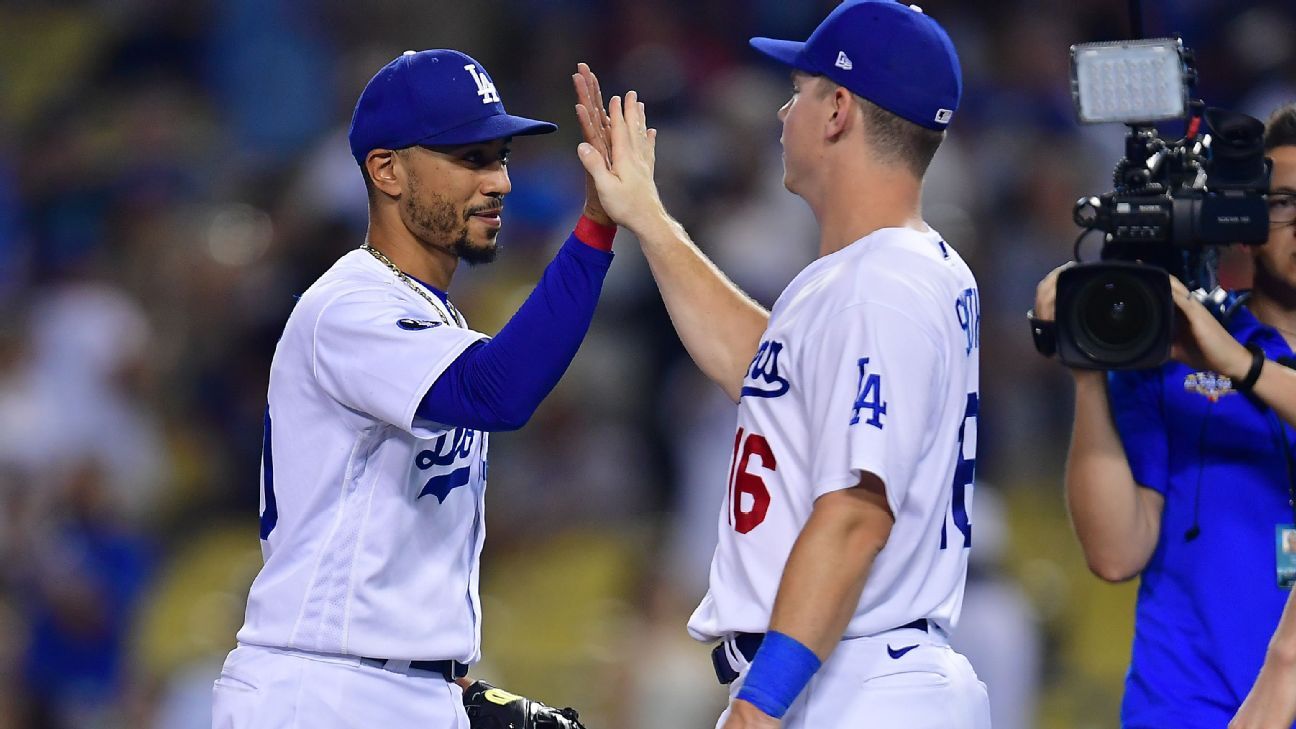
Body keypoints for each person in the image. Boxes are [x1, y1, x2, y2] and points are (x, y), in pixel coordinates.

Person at [579, 2, 991, 727]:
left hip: (859, 676)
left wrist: (759, 705)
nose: (781, 113)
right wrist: (648, 216)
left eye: (797, 91)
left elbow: (856, 513)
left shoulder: (881, 285)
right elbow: (768, 373)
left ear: (838, 110)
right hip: (850, 669)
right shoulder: (886, 271)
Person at [211, 50, 618, 728]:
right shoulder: (347, 306)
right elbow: (499, 391)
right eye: (470, 157)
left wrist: (452, 696)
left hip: (390, 687)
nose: (499, 182)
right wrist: (597, 227)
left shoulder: (434, 319)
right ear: (387, 169)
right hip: (320, 688)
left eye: (501, 157)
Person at [1033, 101, 1296, 729]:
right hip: (1185, 709)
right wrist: (1089, 370)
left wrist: (1240, 365)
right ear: (1245, 219)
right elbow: (1116, 553)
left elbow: (1238, 365)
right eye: (1284, 202)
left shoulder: (1219, 351)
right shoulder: (1176, 345)